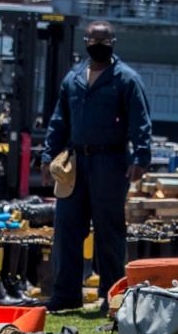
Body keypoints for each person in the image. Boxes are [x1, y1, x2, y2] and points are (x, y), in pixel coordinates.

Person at [41, 20, 153, 314]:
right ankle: (66, 295)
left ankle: (112, 296)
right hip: (76, 165)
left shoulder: (126, 80)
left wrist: (141, 158)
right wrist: (47, 155)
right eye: (94, 41)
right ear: (85, 42)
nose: (98, 46)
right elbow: (58, 122)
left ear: (113, 43)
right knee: (66, 229)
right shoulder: (73, 79)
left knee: (109, 232)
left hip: (110, 164)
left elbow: (140, 121)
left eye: (104, 42)